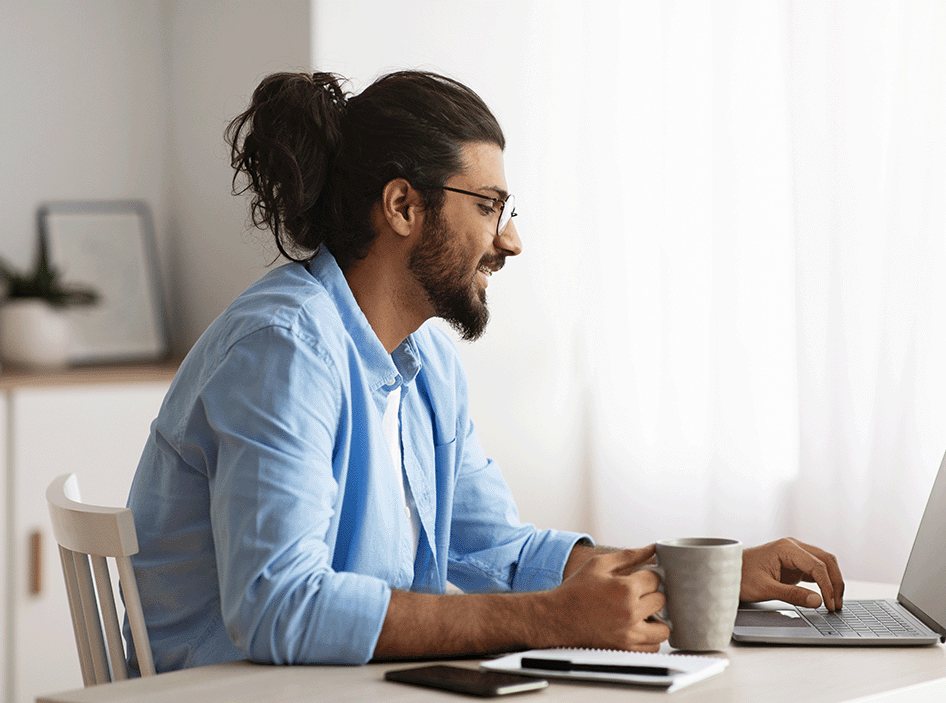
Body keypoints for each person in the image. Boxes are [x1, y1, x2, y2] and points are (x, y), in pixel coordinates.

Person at [125, 69, 844, 673]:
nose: (512, 239)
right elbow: (279, 606)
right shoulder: (284, 347)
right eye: (489, 205)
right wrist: (542, 621)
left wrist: (698, 580)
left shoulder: (427, 358)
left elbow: (497, 549)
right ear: (404, 205)